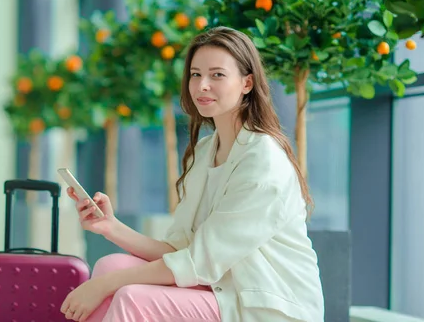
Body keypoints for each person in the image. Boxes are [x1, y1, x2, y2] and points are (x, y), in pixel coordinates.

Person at [60, 27, 324, 322]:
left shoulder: (263, 160)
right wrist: (111, 227)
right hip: (221, 287)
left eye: (217, 75)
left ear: (247, 83)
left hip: (267, 305)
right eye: (196, 75)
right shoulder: (205, 151)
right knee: (111, 266)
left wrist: (103, 286)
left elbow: (198, 262)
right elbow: (178, 249)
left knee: (130, 297)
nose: (202, 86)